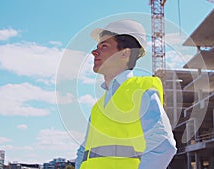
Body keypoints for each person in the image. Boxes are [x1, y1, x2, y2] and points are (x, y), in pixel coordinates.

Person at [75, 19, 176, 169]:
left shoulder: (141, 91)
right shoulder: (98, 107)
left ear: (125, 53)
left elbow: (163, 146)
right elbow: (84, 151)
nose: (94, 52)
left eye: (104, 46)